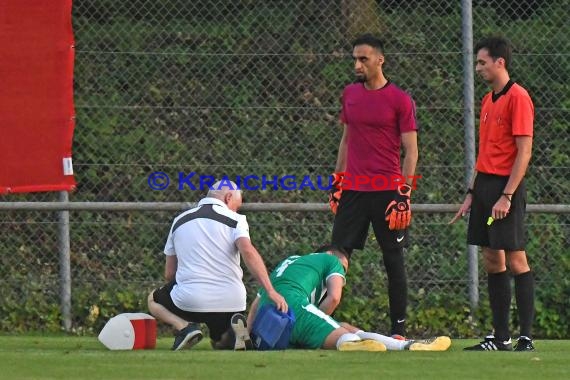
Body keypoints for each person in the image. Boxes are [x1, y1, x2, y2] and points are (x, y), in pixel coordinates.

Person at [329, 33, 419, 339]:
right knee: (336, 256)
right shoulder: (350, 94)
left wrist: (404, 195)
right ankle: (318, 322)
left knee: (392, 259)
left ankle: (399, 330)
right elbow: (346, 139)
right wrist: (337, 181)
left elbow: (412, 150)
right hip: (353, 190)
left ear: (380, 60)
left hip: (387, 191)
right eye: (354, 58)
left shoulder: (399, 99)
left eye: (363, 58)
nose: (357, 64)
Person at [450, 36, 535, 351]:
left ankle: (525, 337)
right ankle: (501, 336)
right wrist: (472, 191)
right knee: (490, 258)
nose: (478, 68)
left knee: (515, 257)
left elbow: (523, 152)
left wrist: (507, 195)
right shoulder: (488, 100)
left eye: (482, 62)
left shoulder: (519, 97)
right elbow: (484, 151)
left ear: (500, 62)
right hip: (485, 186)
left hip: (505, 187)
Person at [147, 180, 288, 351]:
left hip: (190, 301)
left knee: (153, 298)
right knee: (220, 344)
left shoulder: (179, 221)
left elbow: (170, 274)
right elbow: (248, 252)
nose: (237, 210)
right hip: (231, 302)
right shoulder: (236, 220)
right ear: (228, 197)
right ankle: (235, 333)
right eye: (237, 205)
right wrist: (270, 290)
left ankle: (185, 327)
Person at [247, 246, 451, 352]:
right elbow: (334, 297)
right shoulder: (330, 260)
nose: (342, 277)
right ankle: (393, 345)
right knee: (346, 337)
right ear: (329, 254)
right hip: (292, 307)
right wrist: (321, 317)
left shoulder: (290, 262)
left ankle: (405, 344)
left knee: (340, 325)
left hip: (269, 324)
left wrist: (247, 337)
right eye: (343, 271)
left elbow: (256, 304)